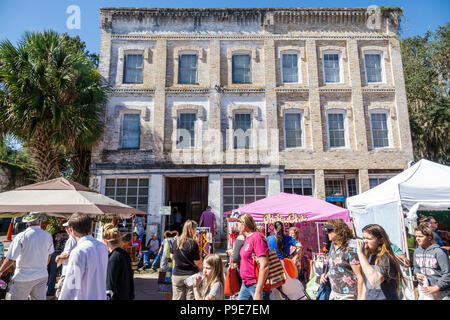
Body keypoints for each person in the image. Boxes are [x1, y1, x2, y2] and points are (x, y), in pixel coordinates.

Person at [0, 212, 54, 300]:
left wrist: (1, 271)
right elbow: (49, 255)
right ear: (40, 221)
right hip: (41, 275)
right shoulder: (47, 236)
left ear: (28, 222)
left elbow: (10, 259)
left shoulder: (21, 236)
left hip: (23, 276)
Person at [58, 213, 108, 300]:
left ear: (72, 230)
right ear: (91, 228)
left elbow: (71, 286)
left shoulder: (79, 251)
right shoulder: (102, 246)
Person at [356, 224, 406, 300]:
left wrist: (360, 253)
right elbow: (365, 285)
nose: (365, 241)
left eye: (369, 238)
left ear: (381, 240)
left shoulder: (386, 258)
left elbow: (374, 280)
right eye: (363, 238)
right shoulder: (369, 257)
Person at [319, 220, 363, 300]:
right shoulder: (334, 245)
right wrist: (326, 275)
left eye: (329, 230)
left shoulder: (350, 247)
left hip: (348, 294)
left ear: (338, 231)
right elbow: (336, 265)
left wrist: (360, 297)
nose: (326, 233)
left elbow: (359, 276)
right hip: (334, 292)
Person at [236, 213, 270, 300]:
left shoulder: (257, 238)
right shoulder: (248, 238)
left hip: (256, 284)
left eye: (238, 224)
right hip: (246, 284)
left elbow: (265, 265)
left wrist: (258, 292)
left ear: (244, 225)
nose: (237, 226)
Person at [413, 222, 450, 300]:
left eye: (420, 236)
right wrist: (417, 274)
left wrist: (437, 287)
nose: (417, 239)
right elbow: (416, 267)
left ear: (429, 237)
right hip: (424, 289)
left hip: (440, 292)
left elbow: (447, 274)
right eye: (416, 236)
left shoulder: (439, 252)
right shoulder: (417, 251)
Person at [170, 220, 203, 300]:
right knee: (191, 298)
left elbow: (172, 257)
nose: (196, 231)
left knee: (177, 298)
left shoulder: (175, 241)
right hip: (190, 275)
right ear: (191, 229)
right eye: (195, 229)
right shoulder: (193, 243)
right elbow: (197, 262)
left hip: (177, 275)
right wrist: (202, 268)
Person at [103, 223, 135, 300]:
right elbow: (131, 278)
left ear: (106, 242)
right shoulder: (124, 254)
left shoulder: (113, 258)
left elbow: (110, 286)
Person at [54, 221, 77, 299]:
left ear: (70, 229)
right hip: (71, 270)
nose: (65, 229)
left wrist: (59, 256)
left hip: (67, 271)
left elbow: (67, 254)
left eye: (66, 227)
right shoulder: (75, 239)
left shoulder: (71, 239)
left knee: (60, 293)